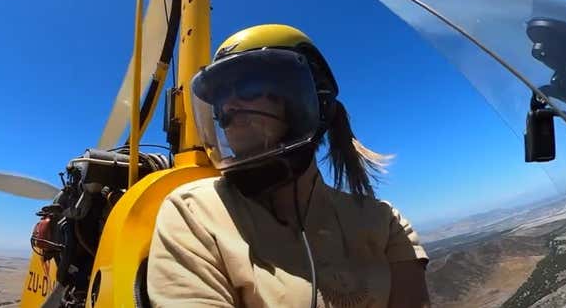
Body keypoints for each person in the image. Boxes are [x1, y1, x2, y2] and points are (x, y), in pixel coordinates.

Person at [146, 24, 430, 308]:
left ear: (308, 101)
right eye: (219, 99)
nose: (228, 106)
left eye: (247, 86)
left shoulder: (384, 222)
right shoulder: (193, 215)